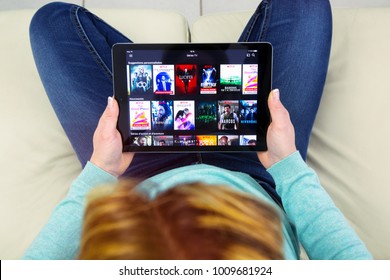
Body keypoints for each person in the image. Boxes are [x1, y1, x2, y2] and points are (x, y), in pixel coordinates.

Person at [24, 0, 372, 260]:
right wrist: (288, 165)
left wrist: (101, 169)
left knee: (52, 22)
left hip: (135, 172)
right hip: (261, 168)